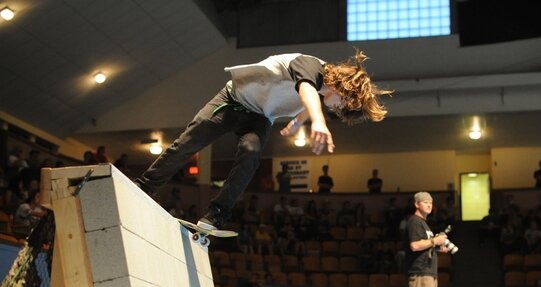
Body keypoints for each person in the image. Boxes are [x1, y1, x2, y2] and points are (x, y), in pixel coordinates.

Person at [134, 50, 390, 230]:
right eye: (344, 103)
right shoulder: (310, 66)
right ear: (344, 86)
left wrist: (297, 122)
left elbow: (310, 99)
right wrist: (318, 121)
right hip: (231, 101)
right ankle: (145, 186)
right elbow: (306, 89)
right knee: (189, 142)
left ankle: (216, 214)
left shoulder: (320, 93)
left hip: (259, 117)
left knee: (250, 153)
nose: (339, 108)